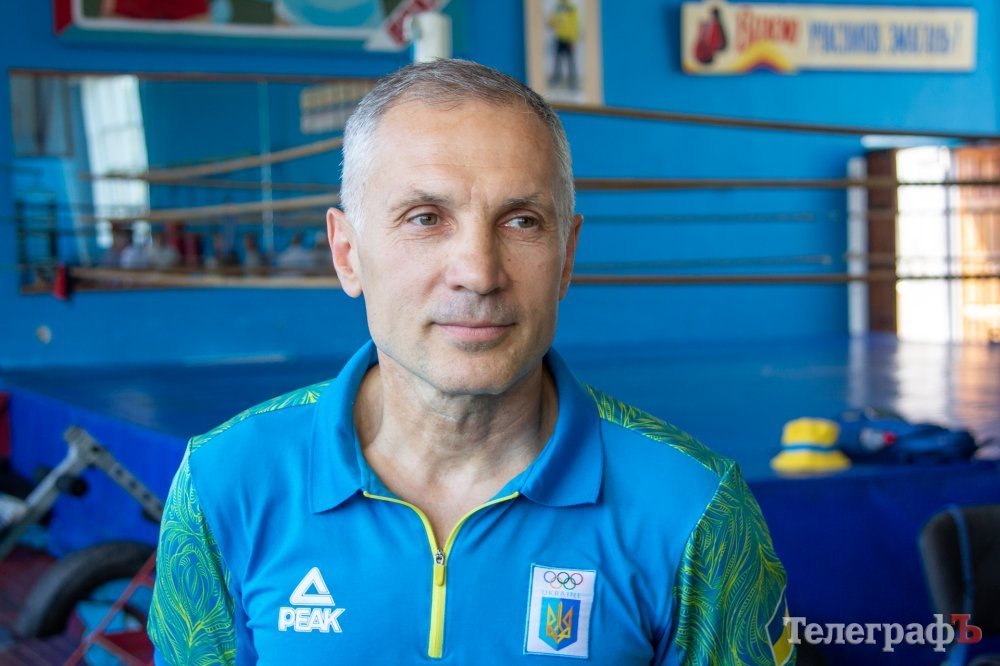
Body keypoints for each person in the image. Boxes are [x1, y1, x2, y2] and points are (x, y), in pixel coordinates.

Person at [148, 59, 793, 665]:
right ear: (347, 254)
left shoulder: (695, 510)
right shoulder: (223, 482)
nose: (479, 273)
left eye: (521, 222)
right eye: (425, 218)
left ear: (567, 256)